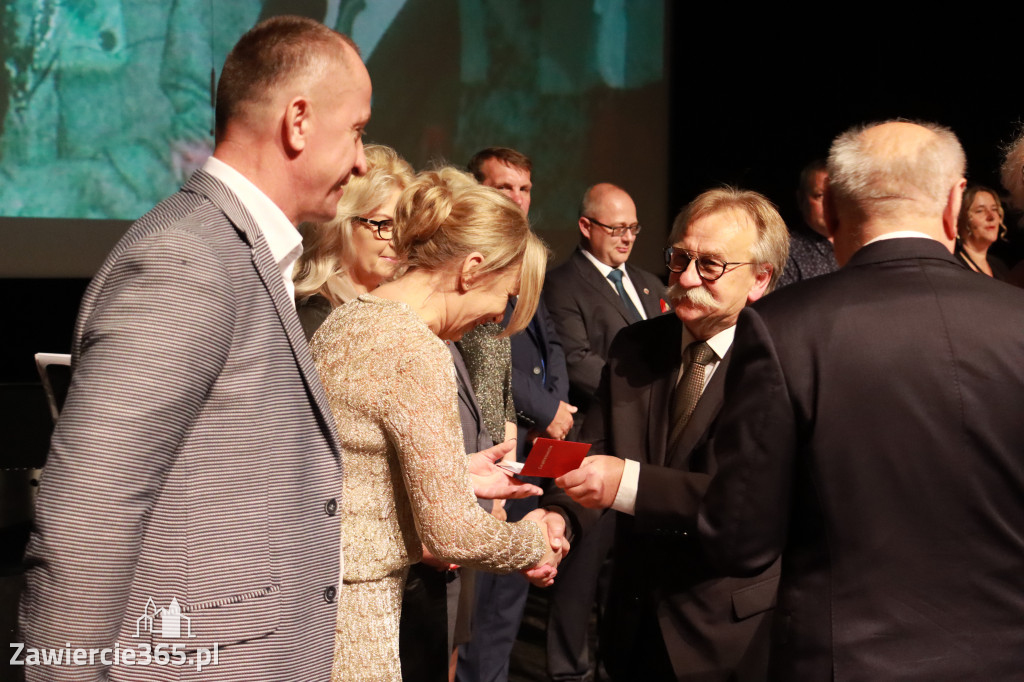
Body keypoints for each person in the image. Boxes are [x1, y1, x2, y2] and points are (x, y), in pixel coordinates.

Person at [18, 16, 367, 680]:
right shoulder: (188, 260)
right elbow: (86, 518)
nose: (362, 159)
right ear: (299, 121)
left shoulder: (236, 253)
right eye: (356, 130)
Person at [696, 120, 1024, 679]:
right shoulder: (1017, 321)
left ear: (836, 212)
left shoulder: (782, 329)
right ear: (954, 203)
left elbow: (740, 541)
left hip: (843, 662)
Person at [309, 166, 568, 682]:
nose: (500, 316)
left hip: (316, 599)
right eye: (507, 294)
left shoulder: (349, 318)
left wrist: (453, 470)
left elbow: (357, 467)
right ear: (471, 269)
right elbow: (451, 532)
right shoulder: (416, 347)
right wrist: (538, 541)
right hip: (358, 611)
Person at [553, 187, 788, 681]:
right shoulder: (636, 344)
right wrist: (558, 519)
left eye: (710, 266)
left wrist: (628, 482)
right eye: (680, 257)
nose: (683, 278)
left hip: (728, 633)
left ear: (759, 279)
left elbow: (747, 499)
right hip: (631, 622)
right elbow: (594, 448)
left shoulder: (783, 363)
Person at [457, 146, 575, 682]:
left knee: (505, 614)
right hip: (487, 458)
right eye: (504, 187)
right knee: (476, 624)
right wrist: (547, 409)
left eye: (524, 189)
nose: (516, 198)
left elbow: (549, 349)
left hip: (531, 454)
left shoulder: (528, 259)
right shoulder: (470, 265)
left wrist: (560, 408)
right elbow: (490, 364)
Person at [541, 182, 664, 681]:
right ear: (586, 227)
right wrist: (652, 390)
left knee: (626, 574)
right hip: (591, 440)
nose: (627, 237)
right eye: (616, 228)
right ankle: (568, 671)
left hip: (645, 452)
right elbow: (576, 361)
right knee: (579, 574)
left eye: (634, 228)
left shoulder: (650, 283)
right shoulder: (562, 283)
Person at [293, 143, 415, 340]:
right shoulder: (313, 317)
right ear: (343, 225)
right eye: (384, 224)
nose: (397, 242)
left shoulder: (401, 310)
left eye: (404, 227)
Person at [776, 159, 838, 287]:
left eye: (836, 195)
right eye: (820, 195)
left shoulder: (859, 242)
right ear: (801, 199)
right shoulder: (788, 252)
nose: (830, 204)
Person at [953, 184, 1009, 279]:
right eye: (980, 211)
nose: (991, 216)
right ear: (961, 218)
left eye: (994, 209)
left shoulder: (1000, 267)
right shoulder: (953, 265)